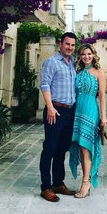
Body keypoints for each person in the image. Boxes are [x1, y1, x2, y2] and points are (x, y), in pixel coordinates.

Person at [39, 32, 77, 202]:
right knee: (50, 149)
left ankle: (58, 183)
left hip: (69, 112)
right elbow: (45, 84)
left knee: (62, 150)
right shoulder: (52, 62)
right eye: (67, 44)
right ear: (60, 44)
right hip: (55, 111)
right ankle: (46, 187)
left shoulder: (73, 64)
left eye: (73, 45)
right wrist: (50, 107)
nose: (70, 47)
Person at [69, 43, 107, 198]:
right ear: (80, 56)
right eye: (83, 54)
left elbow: (103, 97)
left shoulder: (99, 72)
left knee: (86, 147)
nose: (86, 57)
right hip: (77, 111)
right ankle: (85, 180)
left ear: (93, 55)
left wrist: (103, 117)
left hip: (91, 111)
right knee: (80, 146)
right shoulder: (77, 71)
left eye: (89, 54)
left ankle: (86, 181)